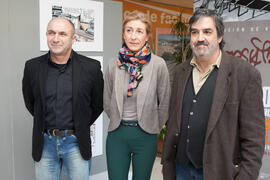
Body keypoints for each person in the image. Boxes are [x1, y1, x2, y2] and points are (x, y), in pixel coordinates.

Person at [162, 8, 265, 180]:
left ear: (219, 36)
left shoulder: (245, 74)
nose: (200, 38)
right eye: (195, 32)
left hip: (219, 172)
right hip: (181, 169)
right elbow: (173, 121)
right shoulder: (181, 71)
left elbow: (254, 138)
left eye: (207, 32)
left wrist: (246, 176)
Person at [22, 17, 103, 180]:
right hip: (45, 143)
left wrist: (80, 123)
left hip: (76, 143)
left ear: (73, 38)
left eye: (62, 34)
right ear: (46, 35)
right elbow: (31, 102)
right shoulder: (32, 67)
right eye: (51, 33)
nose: (56, 38)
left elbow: (97, 104)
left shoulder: (91, 67)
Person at [104, 11, 171, 180]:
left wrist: (153, 124)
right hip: (117, 135)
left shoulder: (158, 64)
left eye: (139, 31)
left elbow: (165, 102)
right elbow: (106, 100)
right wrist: (119, 119)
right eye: (129, 30)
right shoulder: (113, 65)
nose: (133, 36)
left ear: (147, 36)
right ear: (123, 34)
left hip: (146, 135)